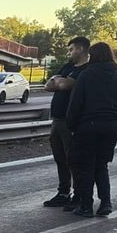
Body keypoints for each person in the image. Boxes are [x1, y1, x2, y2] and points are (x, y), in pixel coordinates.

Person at [65, 41, 117, 218]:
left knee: (85, 167)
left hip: (88, 125)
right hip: (112, 126)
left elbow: (76, 103)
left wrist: (71, 125)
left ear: (92, 56)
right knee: (101, 165)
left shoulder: (87, 75)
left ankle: (86, 206)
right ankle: (106, 202)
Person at [42, 36, 91, 208]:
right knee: (60, 158)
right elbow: (49, 85)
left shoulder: (87, 70)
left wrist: (60, 81)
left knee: (74, 160)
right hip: (57, 120)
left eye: (71, 49)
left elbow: (64, 85)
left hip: (72, 122)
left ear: (81, 50)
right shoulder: (68, 67)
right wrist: (59, 81)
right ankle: (63, 192)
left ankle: (79, 195)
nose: (68, 53)